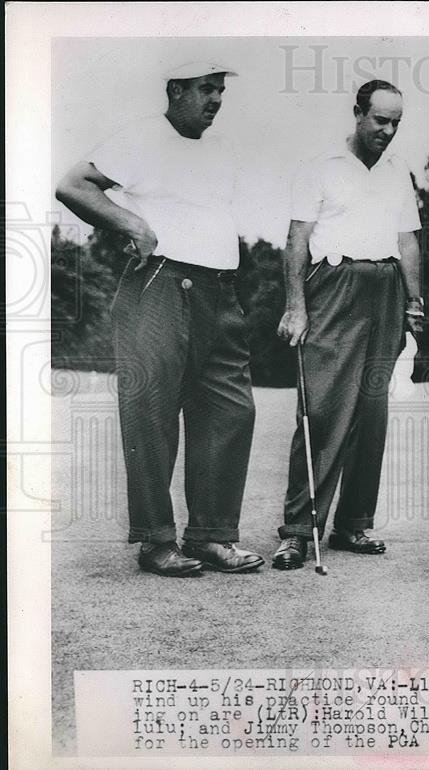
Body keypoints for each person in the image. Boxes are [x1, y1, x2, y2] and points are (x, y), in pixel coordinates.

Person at [55, 62, 263, 577]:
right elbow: (73, 185)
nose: (215, 99)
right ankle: (156, 541)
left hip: (220, 292)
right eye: (204, 90)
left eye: (220, 91)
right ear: (175, 90)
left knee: (231, 411)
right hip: (159, 286)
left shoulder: (221, 149)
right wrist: (131, 223)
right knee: (151, 414)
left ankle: (213, 536)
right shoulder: (141, 136)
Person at [272, 79, 423, 570]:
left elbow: (408, 241)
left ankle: (353, 524)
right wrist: (296, 306)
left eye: (396, 122)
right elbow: (296, 241)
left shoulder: (399, 171)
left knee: (371, 412)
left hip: (386, 290)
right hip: (334, 286)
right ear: (358, 114)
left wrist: (414, 304)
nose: (389, 130)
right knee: (323, 410)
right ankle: (298, 530)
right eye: (381, 120)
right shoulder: (320, 166)